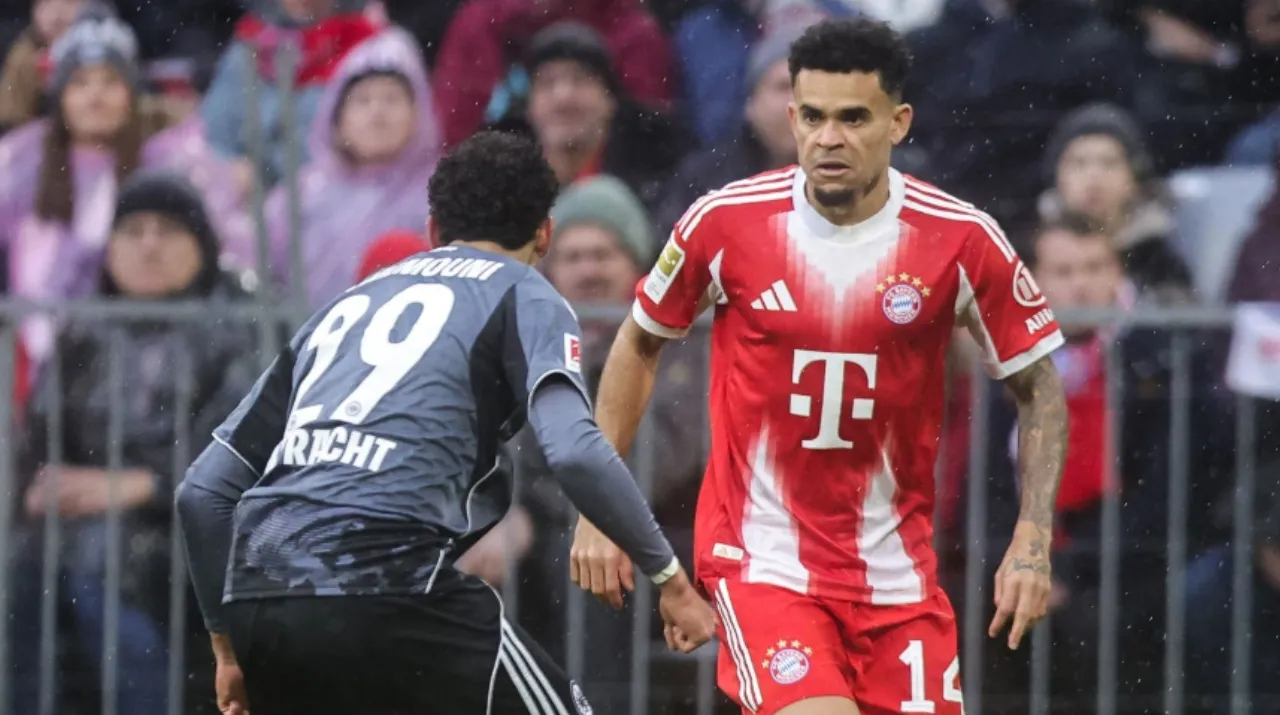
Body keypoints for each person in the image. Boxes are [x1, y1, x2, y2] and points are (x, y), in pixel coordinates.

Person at [569, 17, 1069, 715]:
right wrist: (601, 500)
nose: (827, 138)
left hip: (899, 580)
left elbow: (1039, 384)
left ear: (898, 123)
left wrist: (1032, 538)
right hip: (766, 564)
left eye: (852, 118)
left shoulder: (961, 238)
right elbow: (640, 339)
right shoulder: (726, 221)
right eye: (811, 116)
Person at [174, 130, 716, 715]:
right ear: (544, 234)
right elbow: (577, 452)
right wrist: (670, 579)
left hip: (266, 598)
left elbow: (202, 493)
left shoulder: (340, 309)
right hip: (393, 586)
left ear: (433, 230)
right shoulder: (525, 292)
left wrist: (228, 651)